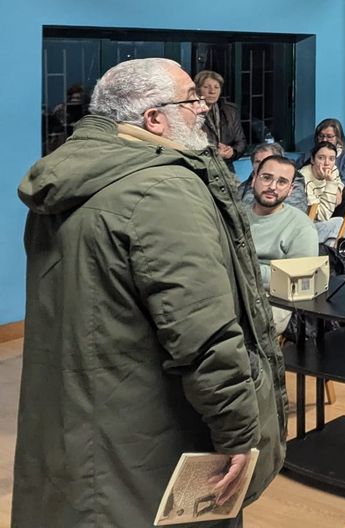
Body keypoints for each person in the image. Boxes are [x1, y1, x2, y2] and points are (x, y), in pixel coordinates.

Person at [14, 58, 285, 527]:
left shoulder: (66, 179)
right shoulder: (163, 190)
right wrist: (240, 431)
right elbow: (203, 333)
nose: (203, 108)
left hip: (79, 429)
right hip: (151, 443)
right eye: (191, 99)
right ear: (154, 118)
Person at [247, 155, 319, 334]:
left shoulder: (301, 226)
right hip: (231, 289)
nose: (272, 187)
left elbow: (300, 281)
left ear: (290, 189)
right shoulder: (236, 217)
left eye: (282, 182)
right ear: (254, 179)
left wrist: (245, 269)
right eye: (266, 178)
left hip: (275, 299)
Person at [194, 69, 246, 166]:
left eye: (216, 87)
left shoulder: (230, 111)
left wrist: (233, 151)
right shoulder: (191, 113)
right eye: (206, 87)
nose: (212, 91)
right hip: (202, 167)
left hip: (226, 167)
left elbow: (241, 141)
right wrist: (215, 154)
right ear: (197, 89)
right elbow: (189, 147)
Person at [238, 141, 308, 213]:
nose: (261, 165)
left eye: (267, 160)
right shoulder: (243, 186)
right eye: (257, 161)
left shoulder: (292, 186)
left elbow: (292, 215)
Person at [296, 118, 345, 185]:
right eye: (321, 136)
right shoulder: (310, 154)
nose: (324, 140)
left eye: (329, 136)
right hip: (311, 189)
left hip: (338, 189)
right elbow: (296, 173)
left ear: (338, 138)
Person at [300, 141, 344, 221]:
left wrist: (338, 189)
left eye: (331, 159)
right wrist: (330, 182)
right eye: (321, 158)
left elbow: (339, 182)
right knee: (340, 222)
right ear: (312, 160)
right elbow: (320, 216)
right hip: (313, 219)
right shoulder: (303, 178)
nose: (327, 163)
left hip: (328, 206)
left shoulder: (333, 169)